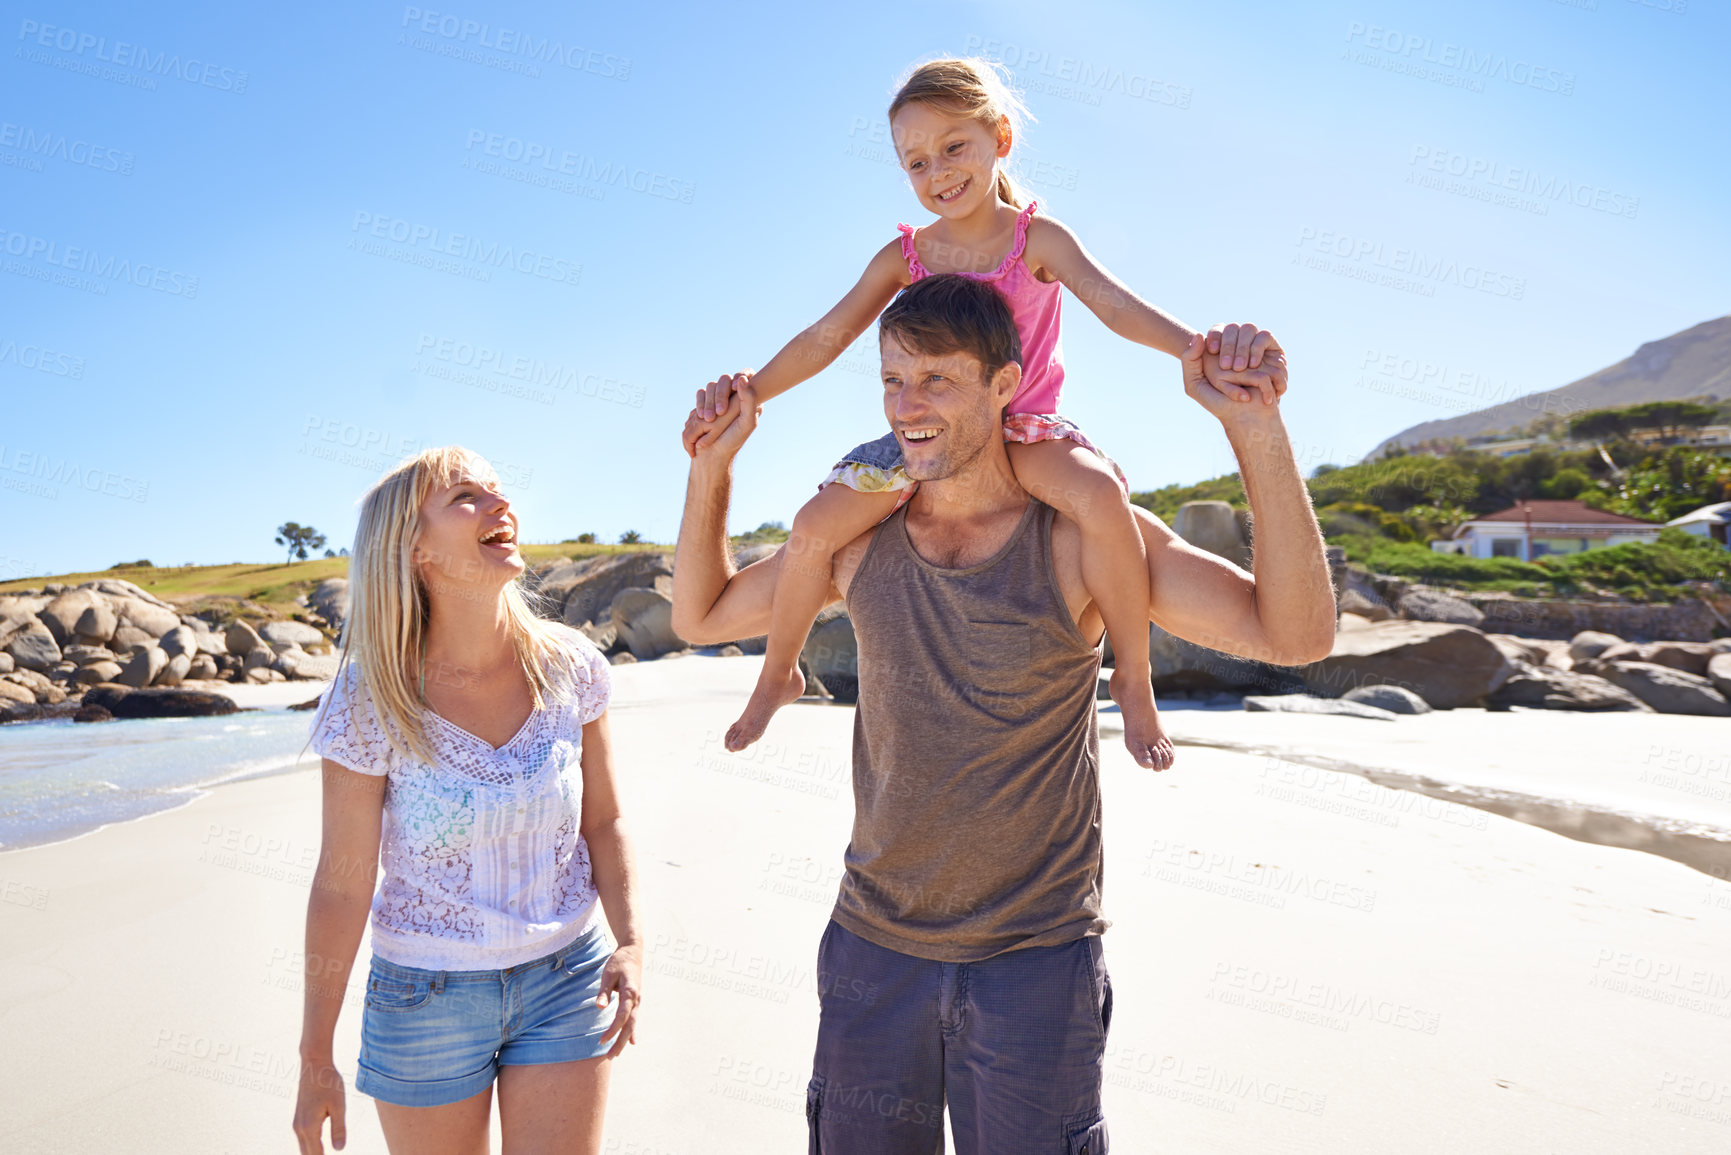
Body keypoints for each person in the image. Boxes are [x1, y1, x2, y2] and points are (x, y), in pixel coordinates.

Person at [671, 275, 1335, 1152]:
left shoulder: (1079, 539)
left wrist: (1252, 426)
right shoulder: (856, 538)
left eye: (937, 380)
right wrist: (712, 464)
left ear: (1002, 384)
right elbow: (701, 617)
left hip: (1035, 962)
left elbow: (1296, 634)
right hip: (873, 952)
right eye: (892, 382)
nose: (907, 407)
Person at [687, 56, 1285, 770]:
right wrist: (752, 388)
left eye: (952, 147)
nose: (936, 171)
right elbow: (826, 335)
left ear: (999, 137)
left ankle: (1130, 671)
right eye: (914, 161)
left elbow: (1114, 304)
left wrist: (1194, 347)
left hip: (1024, 430)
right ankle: (778, 672)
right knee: (815, 525)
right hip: (922, 438)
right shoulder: (906, 257)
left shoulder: (1037, 240)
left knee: (1099, 494)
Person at [291, 447, 643, 1155]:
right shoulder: (370, 697)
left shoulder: (568, 667)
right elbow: (343, 881)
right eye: (465, 498)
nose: (498, 505)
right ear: (413, 547)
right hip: (424, 998)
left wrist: (632, 940)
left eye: (498, 491)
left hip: (566, 976)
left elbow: (604, 821)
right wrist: (314, 1056)